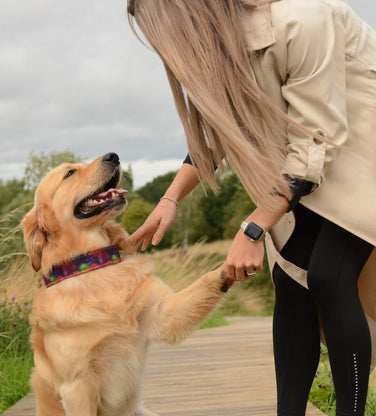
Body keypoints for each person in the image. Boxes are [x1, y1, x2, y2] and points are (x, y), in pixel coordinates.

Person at [126, 0, 376, 415]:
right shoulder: (230, 50)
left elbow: (317, 137)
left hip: (362, 159)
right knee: (292, 284)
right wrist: (169, 199)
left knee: (329, 276)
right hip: (315, 171)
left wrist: (254, 228)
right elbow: (213, 137)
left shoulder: (303, 17)